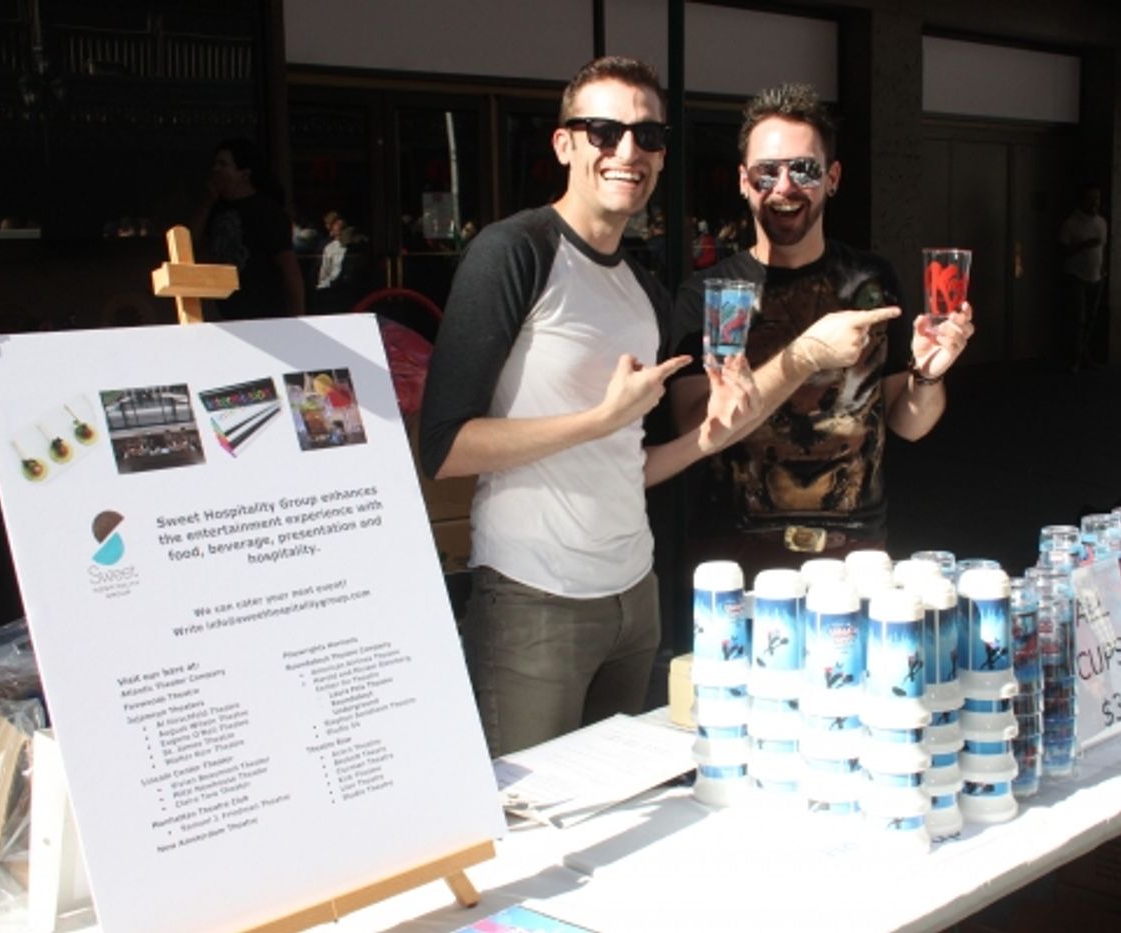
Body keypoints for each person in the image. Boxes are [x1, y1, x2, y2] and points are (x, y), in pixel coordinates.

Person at [416, 56, 756, 757]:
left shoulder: (644, 290)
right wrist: (597, 419)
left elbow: (624, 463)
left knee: (613, 815)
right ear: (565, 143)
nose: (627, 150)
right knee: (527, 829)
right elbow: (443, 447)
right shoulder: (514, 253)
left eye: (648, 135)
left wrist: (713, 436)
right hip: (532, 598)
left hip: (633, 595)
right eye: (603, 130)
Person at [669, 82, 975, 575]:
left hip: (855, 549)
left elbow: (908, 424)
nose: (785, 187)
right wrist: (804, 357)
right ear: (744, 182)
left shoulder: (871, 282)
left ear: (832, 178)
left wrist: (929, 375)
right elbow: (692, 426)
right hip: (735, 553)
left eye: (804, 169)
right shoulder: (710, 292)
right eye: (767, 172)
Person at [190, 137, 305, 320]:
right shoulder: (217, 209)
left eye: (223, 164)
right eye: (215, 164)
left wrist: (299, 316)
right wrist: (207, 201)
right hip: (226, 313)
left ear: (244, 174)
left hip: (263, 314)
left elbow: (288, 266)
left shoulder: (266, 210)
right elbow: (189, 244)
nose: (216, 170)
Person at [1059, 183, 1108, 371]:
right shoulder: (1071, 223)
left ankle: (1085, 354)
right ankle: (1074, 358)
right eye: (1091, 198)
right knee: (1077, 318)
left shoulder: (1102, 222)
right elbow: (1062, 250)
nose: (1095, 202)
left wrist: (1103, 269)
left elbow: (1104, 249)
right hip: (1076, 276)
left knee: (1091, 319)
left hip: (1097, 277)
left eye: (1098, 198)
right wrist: (1084, 245)